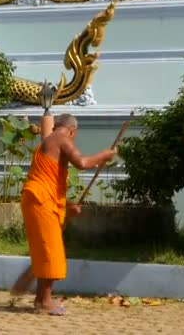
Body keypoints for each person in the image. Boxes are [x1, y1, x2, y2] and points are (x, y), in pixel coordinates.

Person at [19, 113, 116, 316]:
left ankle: (41, 299)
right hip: (39, 199)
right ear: (72, 131)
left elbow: (51, 182)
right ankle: (44, 302)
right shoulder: (61, 139)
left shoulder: (51, 140)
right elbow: (81, 162)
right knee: (50, 252)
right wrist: (104, 156)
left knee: (48, 251)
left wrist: (69, 205)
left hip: (40, 199)